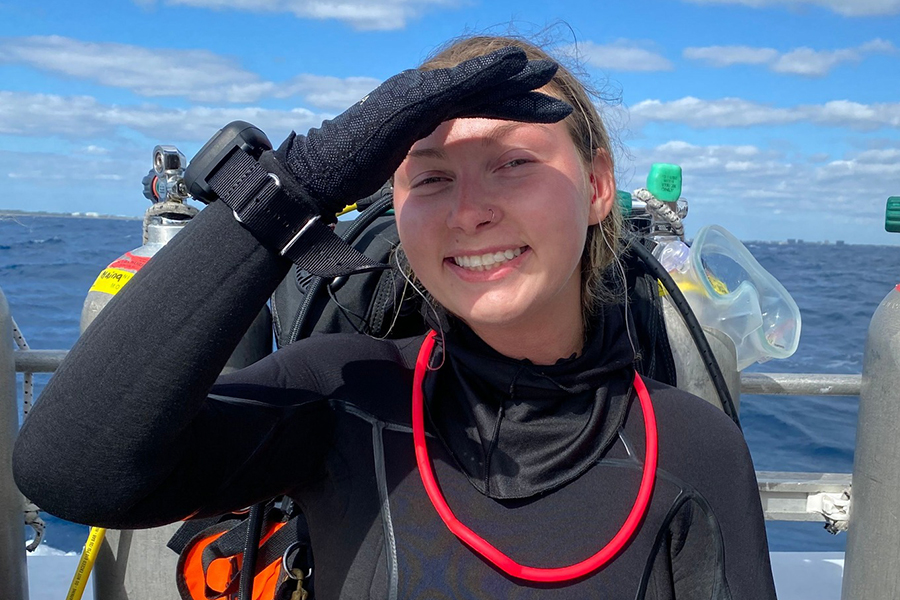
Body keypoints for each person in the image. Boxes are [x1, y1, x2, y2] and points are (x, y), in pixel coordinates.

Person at [13, 35, 777, 599]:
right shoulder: (345, 394)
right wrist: (295, 184)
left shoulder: (695, 449)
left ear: (600, 185)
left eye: (514, 163)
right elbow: (69, 472)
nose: (470, 212)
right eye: (431, 177)